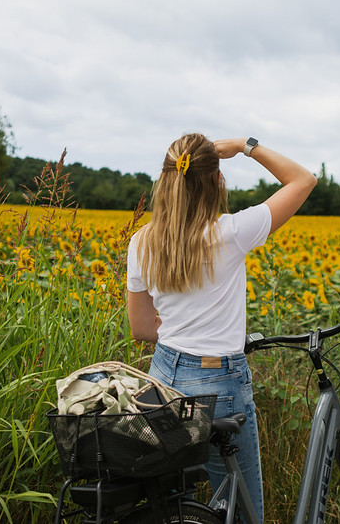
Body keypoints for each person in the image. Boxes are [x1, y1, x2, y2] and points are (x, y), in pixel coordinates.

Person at [126, 133, 316, 522]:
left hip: (162, 381)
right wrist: (247, 146)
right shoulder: (231, 233)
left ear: (165, 180)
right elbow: (303, 180)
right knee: (241, 511)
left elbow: (142, 327)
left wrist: (181, 329)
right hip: (219, 383)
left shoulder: (141, 242)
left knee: (175, 507)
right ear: (216, 181)